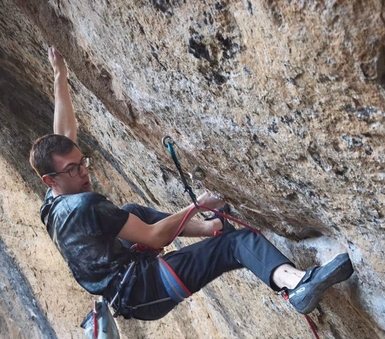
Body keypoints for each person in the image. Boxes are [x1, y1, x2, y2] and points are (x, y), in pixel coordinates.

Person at [30, 47, 354, 321]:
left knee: (130, 211)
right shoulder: (85, 205)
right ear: (51, 179)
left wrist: (60, 74)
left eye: (82, 162)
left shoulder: (54, 199)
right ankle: (296, 284)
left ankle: (213, 228)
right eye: (74, 169)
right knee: (237, 244)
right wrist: (196, 205)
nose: (84, 172)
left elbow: (64, 134)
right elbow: (155, 235)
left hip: (120, 280)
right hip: (143, 290)